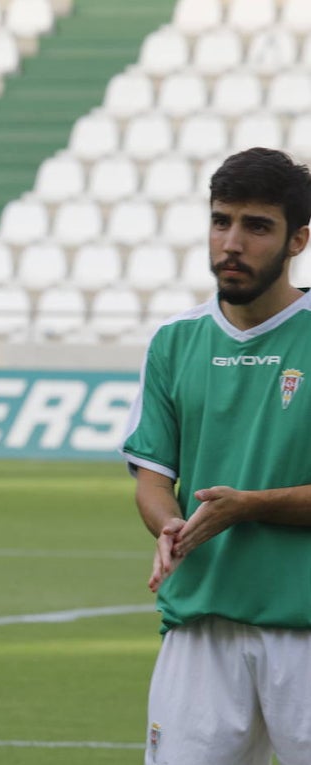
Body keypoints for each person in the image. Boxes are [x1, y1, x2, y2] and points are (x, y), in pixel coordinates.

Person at [123, 147, 311, 765]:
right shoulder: (175, 342)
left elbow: (239, 505)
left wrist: (249, 506)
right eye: (221, 220)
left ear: (298, 240)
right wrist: (171, 526)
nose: (232, 242)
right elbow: (153, 478)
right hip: (200, 628)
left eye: (257, 227)